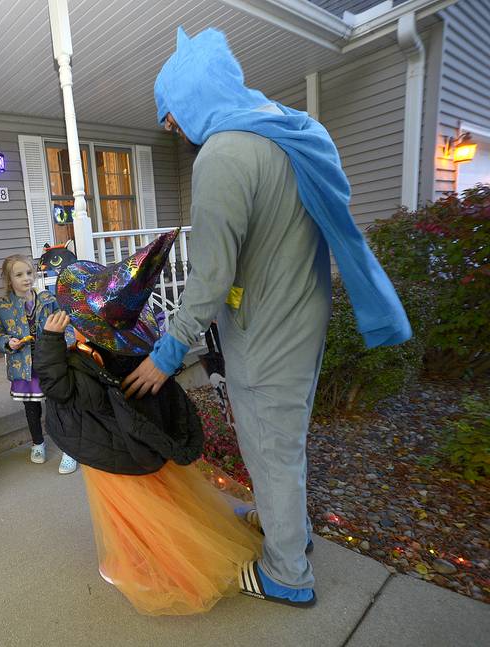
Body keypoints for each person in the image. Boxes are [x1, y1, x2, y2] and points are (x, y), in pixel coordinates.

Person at [122, 27, 412, 606]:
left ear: (193, 98)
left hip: (266, 334)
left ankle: (287, 574)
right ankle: (289, 528)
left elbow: (209, 279)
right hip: (302, 322)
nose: (171, 128)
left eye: (171, 114)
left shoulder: (225, 156)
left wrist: (167, 352)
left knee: (270, 451)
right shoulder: (287, 134)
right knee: (283, 444)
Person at [33, 230, 263, 616]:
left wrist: (49, 341)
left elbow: (55, 386)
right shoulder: (132, 354)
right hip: (136, 447)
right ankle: (174, 548)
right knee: (159, 503)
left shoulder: (79, 360)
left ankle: (134, 568)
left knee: (125, 516)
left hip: (108, 454)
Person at [0, 254, 77, 474]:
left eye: (29, 273)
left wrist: (63, 343)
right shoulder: (2, 309)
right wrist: (8, 342)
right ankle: (38, 444)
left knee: (60, 405)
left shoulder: (48, 300)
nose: (26, 278)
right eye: (19, 275)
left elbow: (67, 326)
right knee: (31, 408)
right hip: (24, 367)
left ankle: (70, 450)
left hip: (52, 362)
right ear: (9, 279)